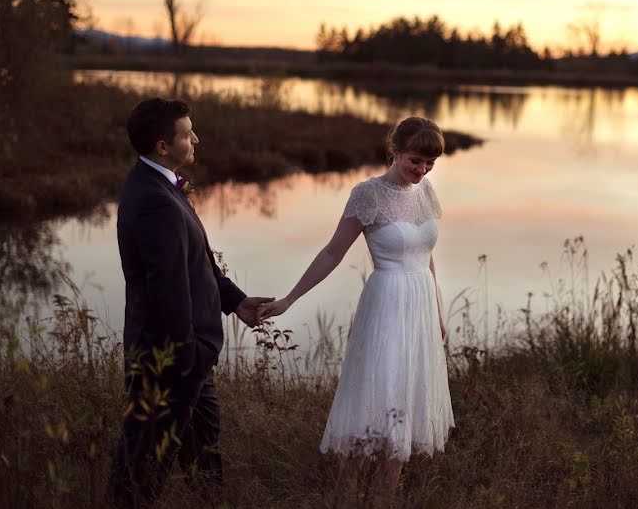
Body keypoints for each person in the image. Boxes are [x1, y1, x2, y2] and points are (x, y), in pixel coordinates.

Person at [260, 116, 455, 500]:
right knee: (375, 397)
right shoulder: (367, 195)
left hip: (419, 309)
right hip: (386, 305)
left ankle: (383, 497)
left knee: (407, 397)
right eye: (415, 160)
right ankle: (345, 495)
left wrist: (437, 311)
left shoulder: (427, 191)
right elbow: (332, 252)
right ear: (395, 150)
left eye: (430, 164)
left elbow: (426, 256)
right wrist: (289, 298)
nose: (422, 170)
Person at [110, 97, 273, 505]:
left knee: (205, 454)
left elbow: (196, 264)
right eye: (187, 134)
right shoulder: (154, 202)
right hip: (171, 359)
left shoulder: (162, 186)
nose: (196, 138)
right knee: (143, 465)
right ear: (163, 145)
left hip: (188, 357)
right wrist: (189, 357)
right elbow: (166, 289)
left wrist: (234, 301)